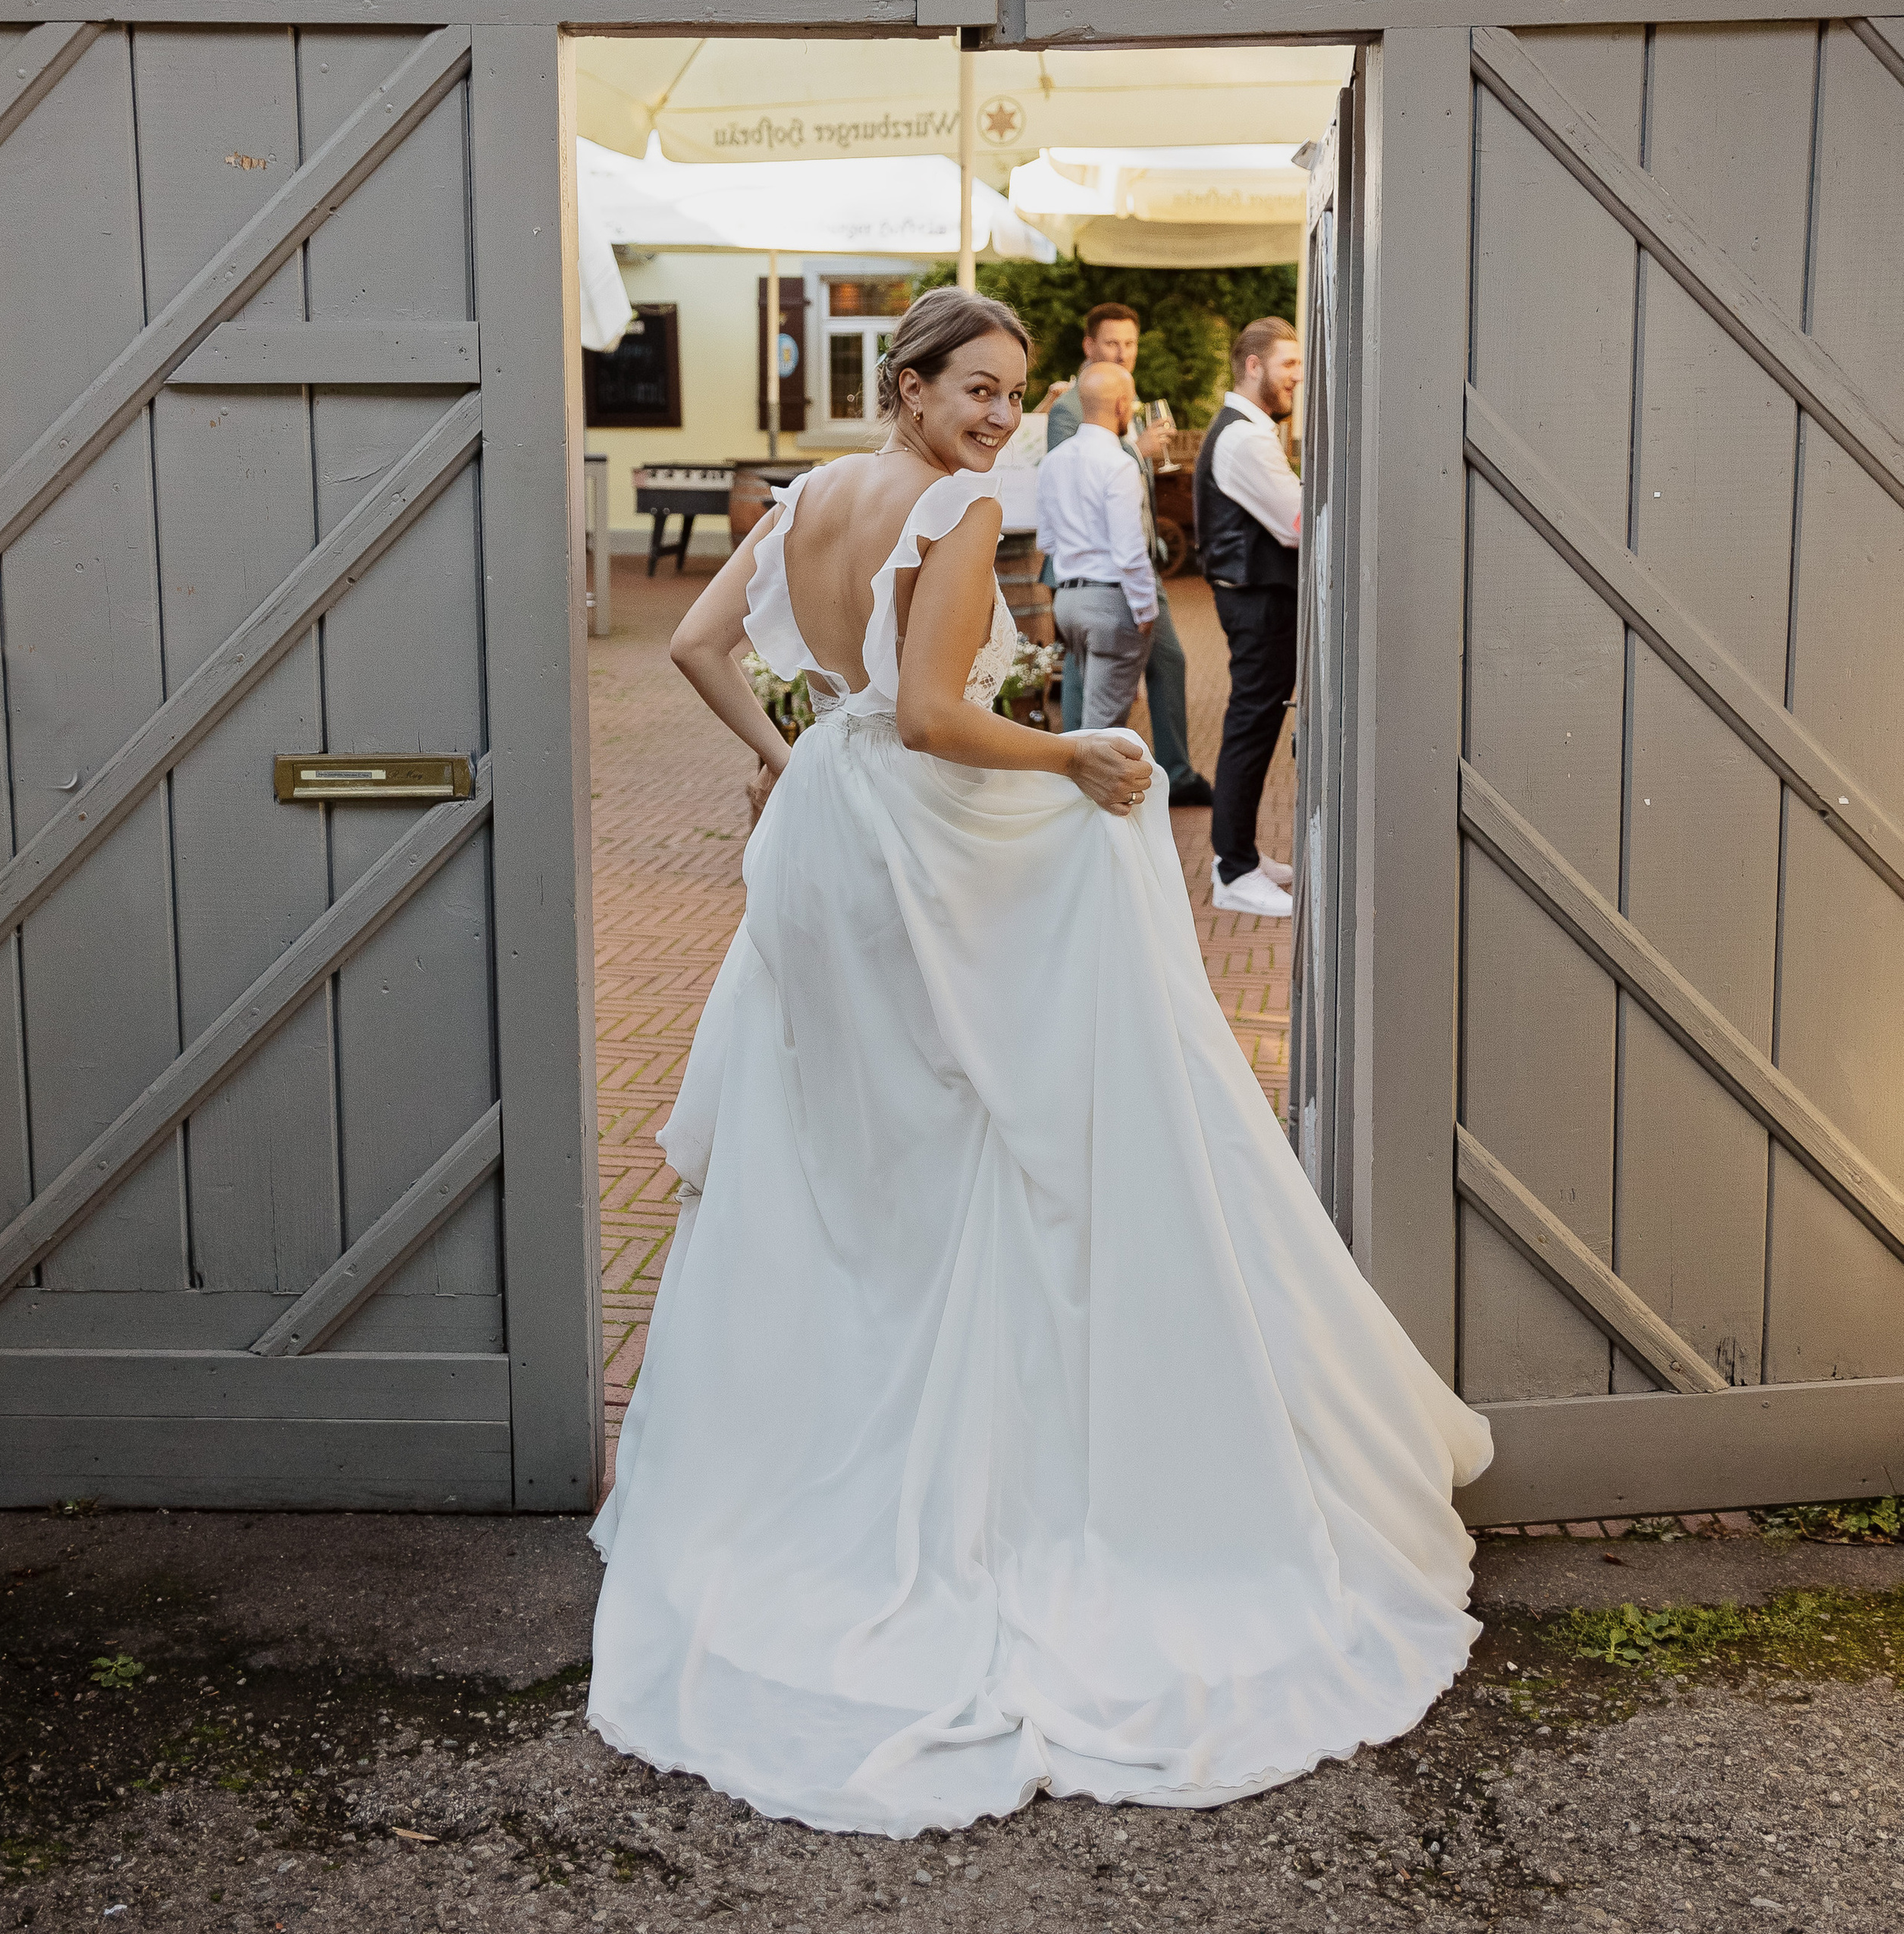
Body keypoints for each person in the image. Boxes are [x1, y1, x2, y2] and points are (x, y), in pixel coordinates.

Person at [585, 284, 1491, 1838]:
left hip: (819, 848)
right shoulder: (945, 507)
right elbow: (938, 718)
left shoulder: (806, 495)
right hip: (902, 844)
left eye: (1013, 395)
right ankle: (965, 1487)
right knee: (966, 1140)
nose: (1000, 418)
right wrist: (1074, 750)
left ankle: (811, 1475)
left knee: (842, 1156)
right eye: (977, 389)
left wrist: (792, 754)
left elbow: (692, 642)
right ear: (915, 383)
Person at [1046, 303, 1212, 807]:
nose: (1124, 353)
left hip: (1102, 578)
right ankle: (1076, 784)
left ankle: (1171, 773)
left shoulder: (1117, 406)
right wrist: (1141, 606)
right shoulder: (1072, 410)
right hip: (1110, 577)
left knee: (1164, 664)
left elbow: (1051, 527)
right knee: (1096, 705)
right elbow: (1104, 521)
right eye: (1113, 344)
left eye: (1130, 344)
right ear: (1089, 346)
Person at [1199, 318, 1304, 919]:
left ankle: (1239, 853)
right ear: (1254, 365)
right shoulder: (1244, 438)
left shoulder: (1251, 431)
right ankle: (1233, 870)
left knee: (1255, 724)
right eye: (1289, 364)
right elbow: (1296, 522)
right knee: (1249, 724)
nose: (1297, 376)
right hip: (1257, 600)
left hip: (1258, 595)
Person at [1034, 359, 1159, 730]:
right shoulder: (1119, 464)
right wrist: (1146, 609)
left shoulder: (1053, 462)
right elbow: (1129, 551)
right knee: (1103, 733)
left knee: (1093, 718)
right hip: (1109, 602)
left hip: (1068, 603)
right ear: (1121, 405)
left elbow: (1048, 540)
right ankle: (1087, 788)